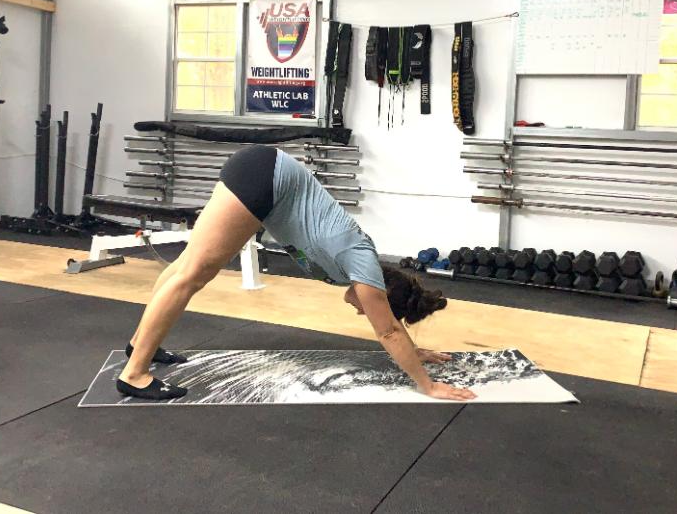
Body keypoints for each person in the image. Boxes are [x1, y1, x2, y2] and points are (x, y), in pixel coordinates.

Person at [117, 145, 477, 402]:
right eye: (366, 306)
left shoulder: (359, 270)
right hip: (266, 179)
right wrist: (427, 385)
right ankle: (134, 374)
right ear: (380, 292)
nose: (359, 309)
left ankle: (141, 346)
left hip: (266, 176)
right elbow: (387, 330)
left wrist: (414, 349)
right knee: (194, 273)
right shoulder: (362, 265)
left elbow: (391, 324)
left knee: (187, 265)